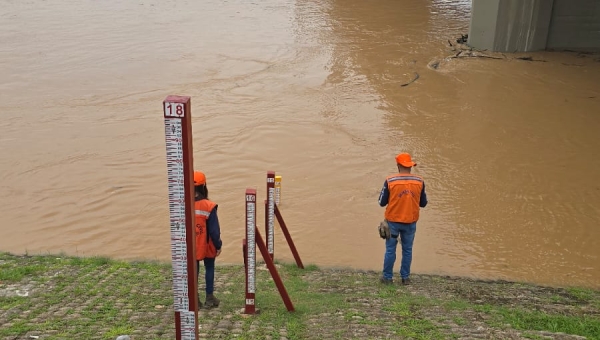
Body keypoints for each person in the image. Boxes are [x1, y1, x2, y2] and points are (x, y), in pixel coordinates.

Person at [378, 153, 428, 285]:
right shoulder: (420, 181)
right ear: (410, 166)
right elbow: (423, 203)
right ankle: (405, 278)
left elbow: (381, 202)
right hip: (411, 222)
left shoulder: (390, 180)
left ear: (398, 165)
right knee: (407, 250)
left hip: (393, 221)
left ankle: (387, 278)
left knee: (390, 250)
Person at [193, 171, 223, 308]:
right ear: (204, 186)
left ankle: (195, 299)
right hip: (207, 244)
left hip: (191, 244)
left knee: (194, 270)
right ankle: (209, 298)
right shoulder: (209, 206)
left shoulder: (183, 204)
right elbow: (214, 231)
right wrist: (218, 245)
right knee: (209, 268)